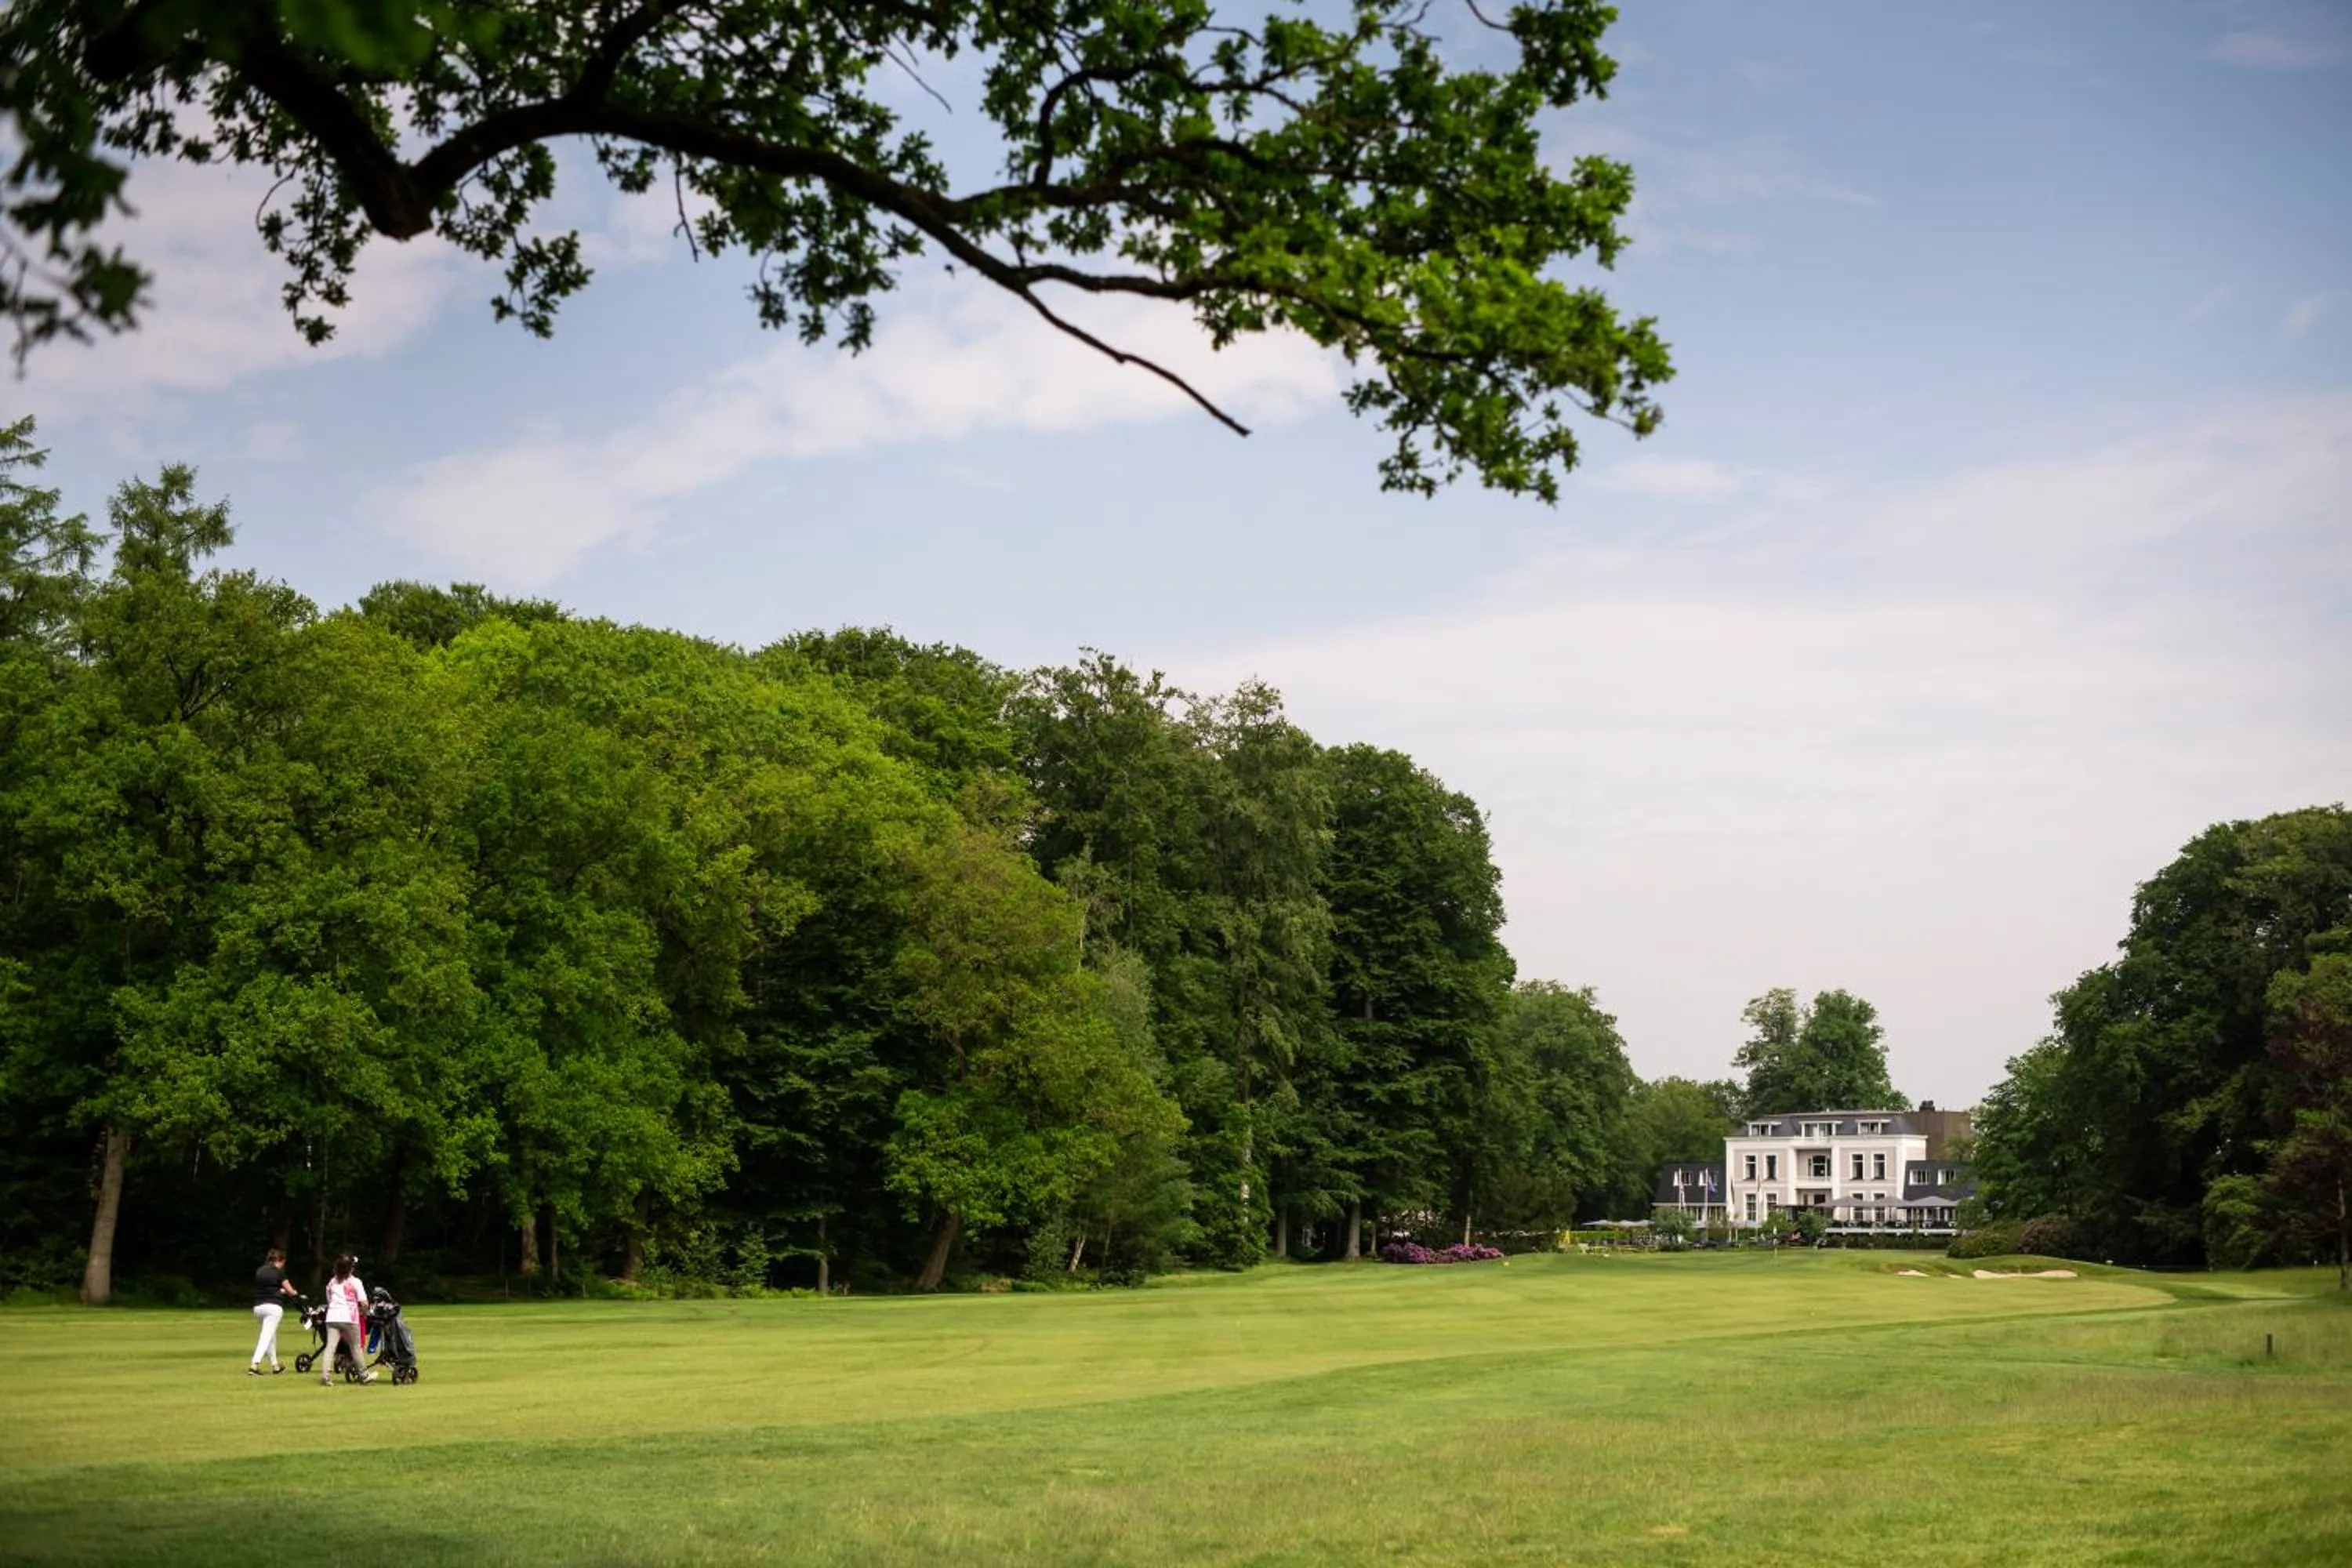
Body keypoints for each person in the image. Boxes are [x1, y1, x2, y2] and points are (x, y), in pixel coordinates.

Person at [318, 1254, 378, 1387]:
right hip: (349, 1318)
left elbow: (329, 1299)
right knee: (356, 1347)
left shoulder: (332, 1282)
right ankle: (364, 1375)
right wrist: (364, 1313)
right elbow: (364, 1303)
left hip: (332, 1317)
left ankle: (325, 1376)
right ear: (351, 1268)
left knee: (330, 1347)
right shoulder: (355, 1282)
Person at [249, 1247, 299, 1375]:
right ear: (280, 1260)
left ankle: (275, 1365)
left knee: (270, 1336)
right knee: (266, 1337)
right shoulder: (278, 1272)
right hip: (273, 1308)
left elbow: (268, 1288)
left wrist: (281, 1291)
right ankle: (254, 1365)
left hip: (258, 1307)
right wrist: (295, 1293)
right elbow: (290, 1289)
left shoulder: (260, 1271)